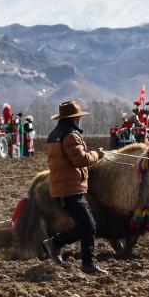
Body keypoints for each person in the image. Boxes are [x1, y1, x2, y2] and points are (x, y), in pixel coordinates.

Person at [39, 100, 108, 275]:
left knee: (86, 225)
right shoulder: (70, 135)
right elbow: (80, 160)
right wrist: (97, 154)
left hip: (64, 187)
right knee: (89, 225)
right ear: (75, 118)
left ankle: (56, 245)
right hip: (70, 188)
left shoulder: (55, 134)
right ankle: (85, 263)